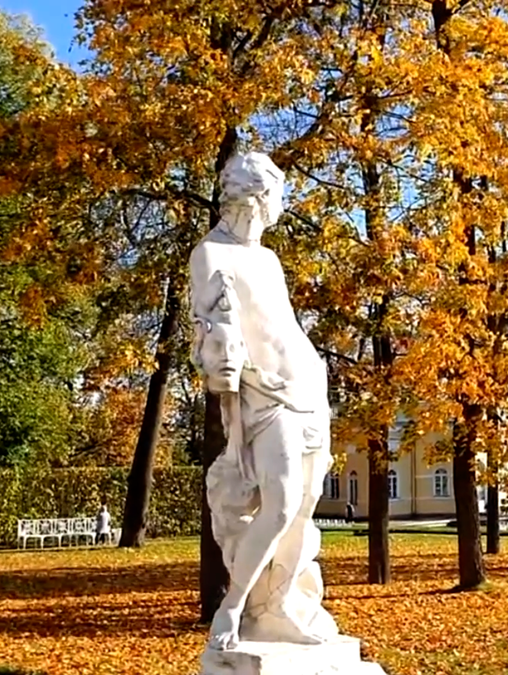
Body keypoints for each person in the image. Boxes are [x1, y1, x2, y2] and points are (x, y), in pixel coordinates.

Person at [192, 150, 338, 651]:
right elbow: (212, 340)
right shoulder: (211, 253)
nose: (279, 208)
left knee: (303, 509)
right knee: (278, 505)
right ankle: (232, 608)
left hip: (308, 390)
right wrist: (219, 362)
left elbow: (286, 327)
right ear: (257, 197)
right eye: (276, 197)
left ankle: (278, 608)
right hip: (265, 395)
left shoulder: (269, 259)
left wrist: (317, 374)